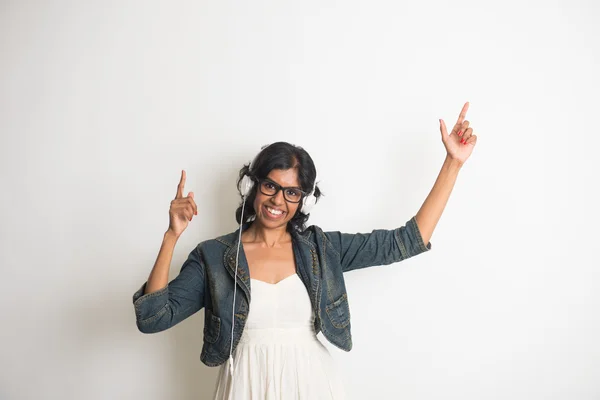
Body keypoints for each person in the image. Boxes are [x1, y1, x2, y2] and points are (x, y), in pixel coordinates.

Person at [132, 102, 477, 399]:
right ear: (254, 186)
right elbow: (153, 318)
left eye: (292, 192)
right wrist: (171, 236)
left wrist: (453, 164)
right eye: (271, 185)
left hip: (312, 384)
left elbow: (406, 241)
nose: (278, 200)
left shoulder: (321, 249)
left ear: (302, 199)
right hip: (245, 388)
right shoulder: (214, 257)